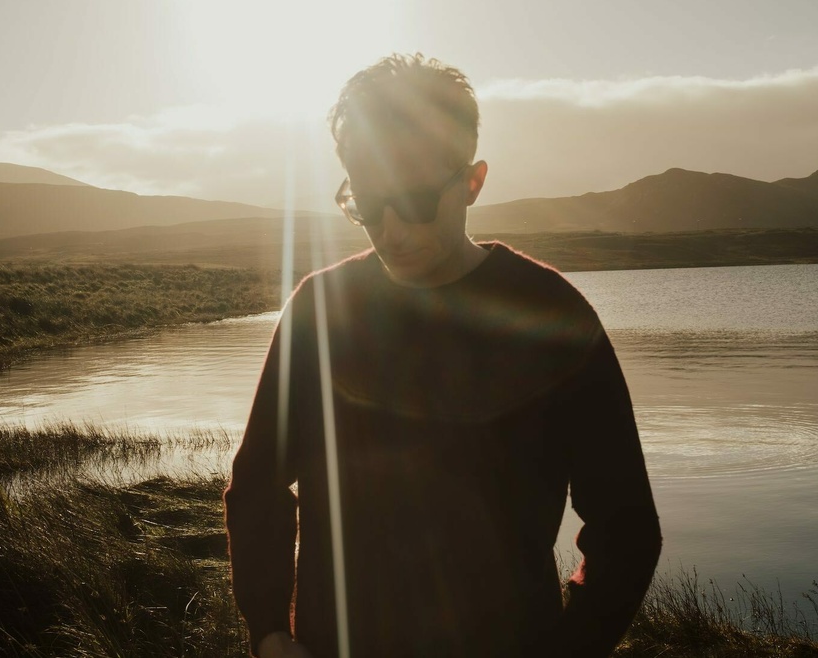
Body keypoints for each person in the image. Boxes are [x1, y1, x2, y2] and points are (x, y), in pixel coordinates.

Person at [224, 53, 661, 658]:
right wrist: (269, 630)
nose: (392, 228)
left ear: (473, 181)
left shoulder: (552, 319)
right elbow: (256, 483)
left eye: (416, 198)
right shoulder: (320, 312)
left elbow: (626, 526)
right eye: (367, 202)